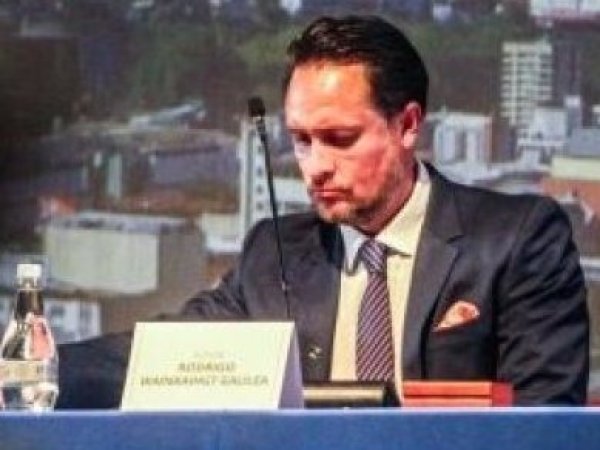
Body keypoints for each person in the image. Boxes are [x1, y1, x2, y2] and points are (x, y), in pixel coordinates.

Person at [57, 15, 589, 408]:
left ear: (407, 125)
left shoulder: (517, 239)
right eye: (302, 140)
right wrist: (40, 366)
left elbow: (543, 420)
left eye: (339, 139)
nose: (315, 167)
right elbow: (166, 355)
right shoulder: (275, 255)